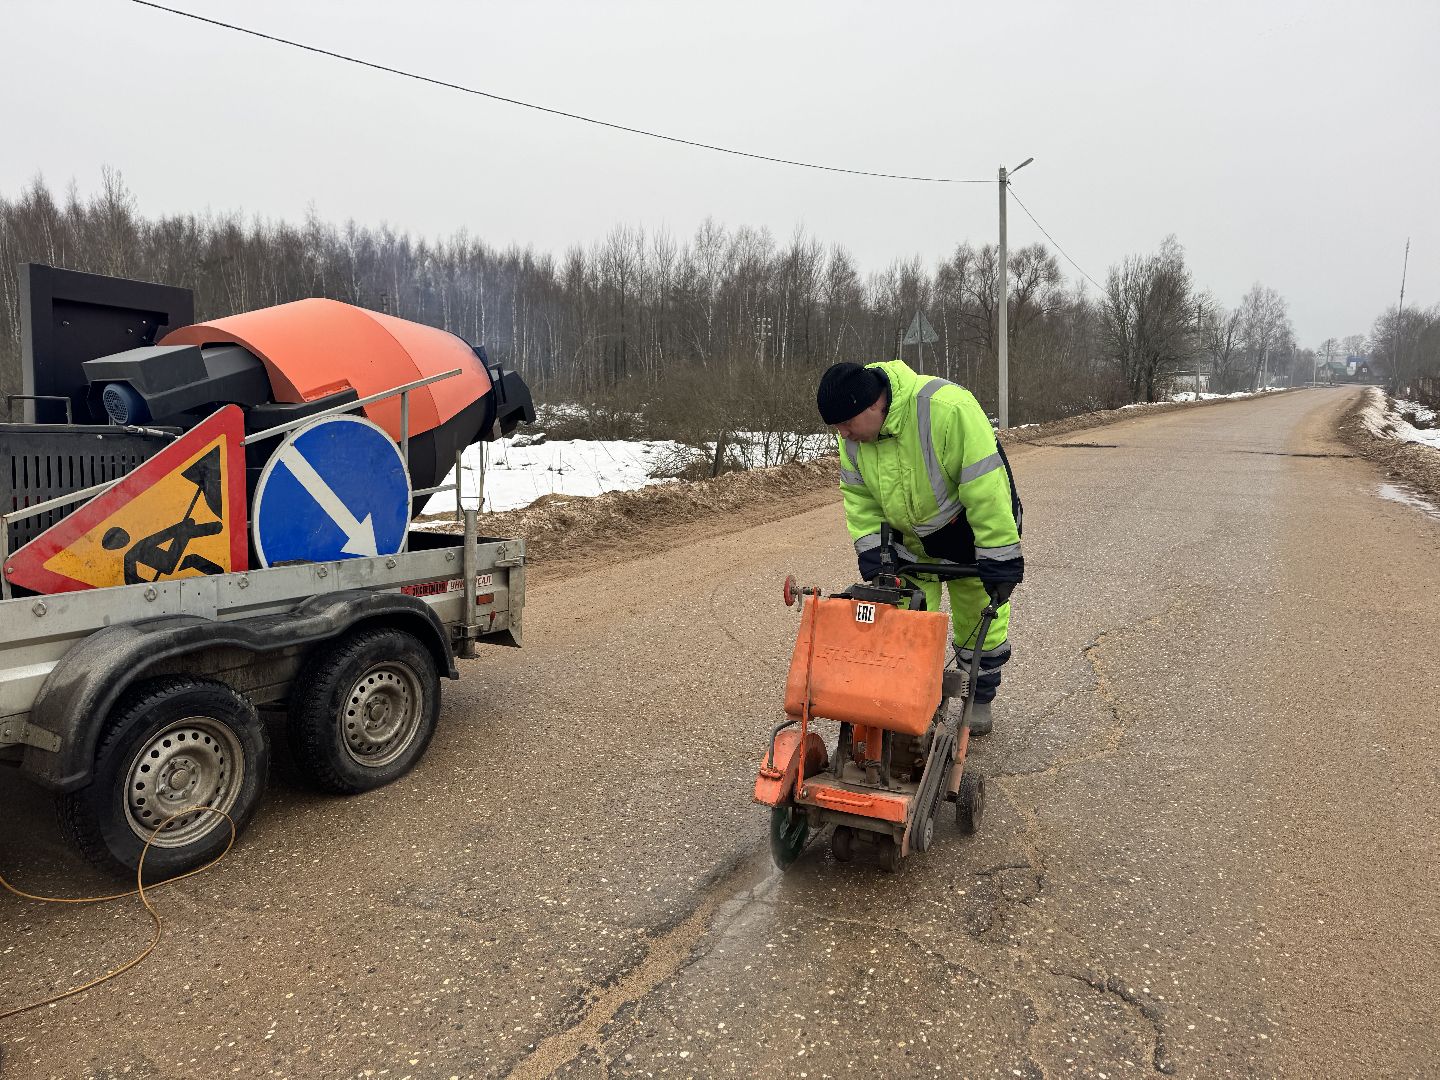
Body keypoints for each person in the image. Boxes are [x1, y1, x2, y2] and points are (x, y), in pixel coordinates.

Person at [816, 360, 1023, 735]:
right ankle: (913, 699)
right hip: (909, 544)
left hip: (967, 537)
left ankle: (977, 696)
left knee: (980, 623)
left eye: (846, 424)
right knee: (905, 625)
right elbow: (859, 497)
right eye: (837, 429)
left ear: (873, 406)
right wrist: (871, 551)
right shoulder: (854, 439)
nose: (843, 435)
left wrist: (999, 555)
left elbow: (987, 488)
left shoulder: (947, 409)